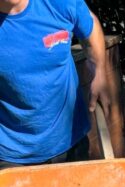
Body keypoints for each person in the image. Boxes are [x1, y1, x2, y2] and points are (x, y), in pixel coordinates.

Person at [0, 0, 111, 168]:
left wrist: (99, 68)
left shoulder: (59, 3)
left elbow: (90, 23)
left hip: (70, 142)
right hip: (10, 155)